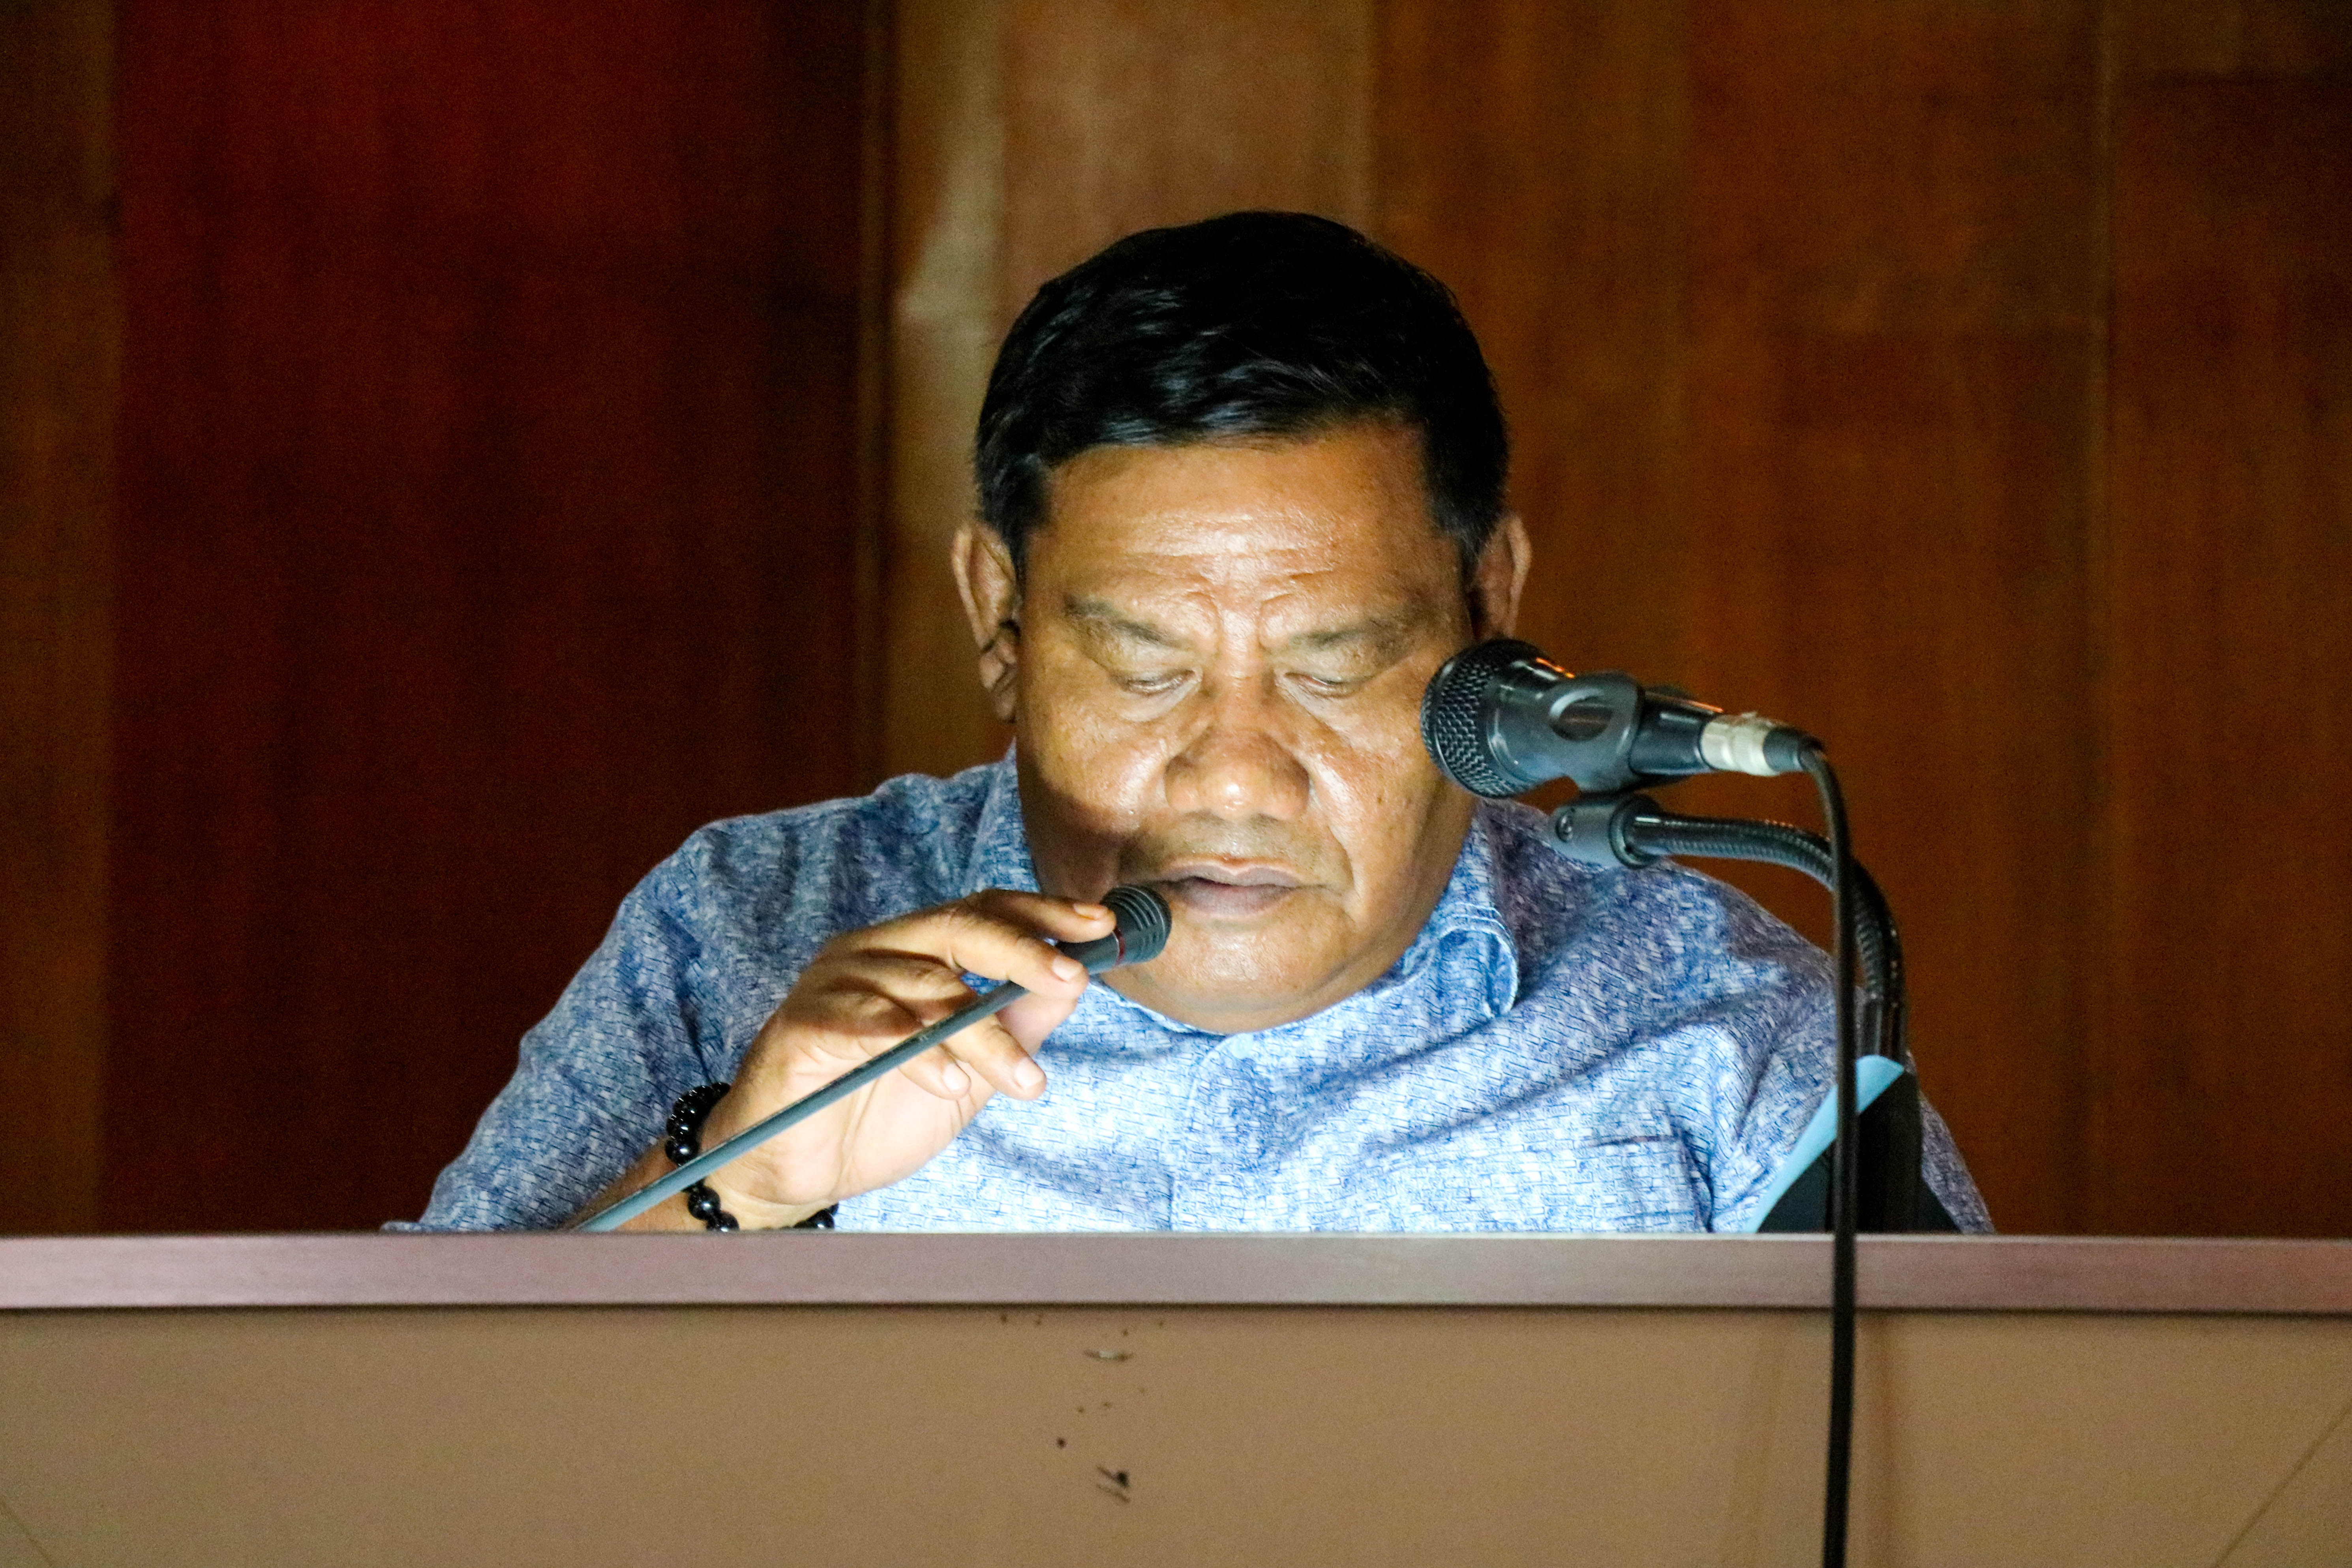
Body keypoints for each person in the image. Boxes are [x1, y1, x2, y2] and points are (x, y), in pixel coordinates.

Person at [407, 210, 1988, 1234]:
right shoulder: (733, 934)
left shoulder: (1728, 1031)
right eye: (1147, 665)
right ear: (1000, 616)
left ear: (1489, 604)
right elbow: (396, 1460)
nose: (1235, 775)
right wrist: (738, 1181)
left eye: (1333, 666)